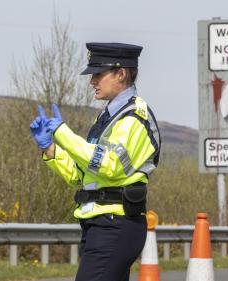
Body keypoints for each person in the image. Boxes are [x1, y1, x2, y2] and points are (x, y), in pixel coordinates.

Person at [29, 42, 161, 281]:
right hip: (100, 224)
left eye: (98, 74)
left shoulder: (133, 118)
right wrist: (50, 149)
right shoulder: (107, 117)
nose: (92, 81)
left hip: (116, 224)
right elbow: (82, 176)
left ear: (121, 74)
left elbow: (110, 166)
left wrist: (63, 133)